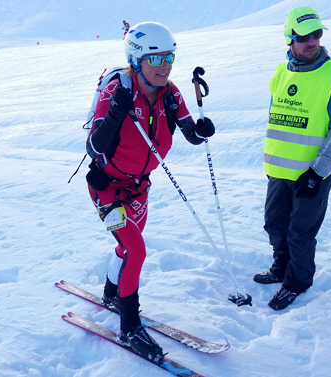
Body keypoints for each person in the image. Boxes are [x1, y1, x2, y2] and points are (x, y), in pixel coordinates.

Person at [86, 21, 215, 362]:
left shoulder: (170, 92)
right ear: (137, 59)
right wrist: (116, 112)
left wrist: (200, 131)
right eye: (157, 59)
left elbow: (188, 131)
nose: (166, 65)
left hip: (139, 186)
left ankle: (112, 293)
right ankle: (130, 325)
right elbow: (94, 147)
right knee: (137, 250)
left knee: (127, 247)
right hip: (108, 187)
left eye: (170, 57)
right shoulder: (117, 89)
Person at [254, 7, 331, 310]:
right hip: (278, 169)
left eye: (317, 34)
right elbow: (280, 120)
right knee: (275, 224)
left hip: (312, 173)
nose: (312, 41)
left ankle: (298, 280)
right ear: (289, 39)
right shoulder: (279, 73)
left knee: (300, 232)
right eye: (303, 36)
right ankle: (280, 268)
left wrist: (318, 171)